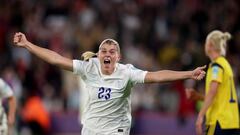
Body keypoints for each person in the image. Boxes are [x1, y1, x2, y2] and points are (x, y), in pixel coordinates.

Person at [13, 32, 206, 135]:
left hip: (116, 130)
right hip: (90, 129)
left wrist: (189, 73)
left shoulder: (127, 73)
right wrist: (28, 44)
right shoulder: (89, 68)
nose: (107, 54)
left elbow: (157, 76)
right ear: (98, 55)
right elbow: (55, 59)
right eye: (103, 50)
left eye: (112, 51)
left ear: (119, 57)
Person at [185, 30, 240, 135]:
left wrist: (200, 116)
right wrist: (198, 96)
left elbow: (213, 91)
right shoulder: (226, 65)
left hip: (219, 121)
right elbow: (220, 97)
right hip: (232, 122)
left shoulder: (216, 66)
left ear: (210, 45)